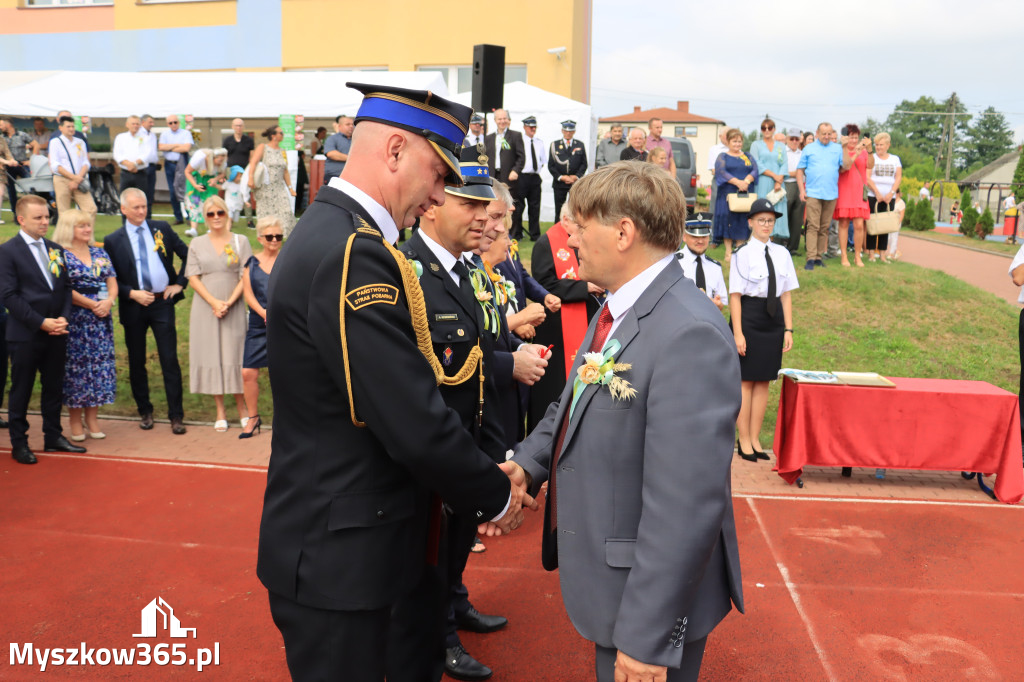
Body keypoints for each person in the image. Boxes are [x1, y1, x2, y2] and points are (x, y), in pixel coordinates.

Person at [256, 81, 531, 682]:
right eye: (438, 174)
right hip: (342, 558)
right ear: (396, 150)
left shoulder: (339, 236)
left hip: (346, 545)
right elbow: (408, 415)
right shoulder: (355, 251)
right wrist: (497, 491)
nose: (438, 195)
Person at [494, 160, 744, 682]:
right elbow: (571, 401)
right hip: (617, 584)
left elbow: (686, 505)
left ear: (624, 233)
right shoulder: (621, 309)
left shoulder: (687, 333)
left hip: (645, 602)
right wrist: (528, 463)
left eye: (580, 227)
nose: (570, 239)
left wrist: (648, 636)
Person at [397, 165, 534, 682]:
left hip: (468, 438)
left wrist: (494, 456)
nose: (487, 221)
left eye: (490, 209)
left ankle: (453, 611)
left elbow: (474, 366)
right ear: (431, 206)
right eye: (472, 207)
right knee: (428, 560)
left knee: (453, 551)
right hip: (433, 451)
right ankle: (443, 638)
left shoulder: (462, 271)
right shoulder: (407, 272)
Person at [0, 195, 87, 464]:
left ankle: (53, 436)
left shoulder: (55, 249)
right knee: (22, 389)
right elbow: (9, 295)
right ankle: (20, 442)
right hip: (25, 333)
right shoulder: (7, 251)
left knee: (53, 386)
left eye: (47, 217)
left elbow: (65, 287)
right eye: (38, 218)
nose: (45, 222)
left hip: (56, 331)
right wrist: (40, 322)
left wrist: (62, 318)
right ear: (21, 219)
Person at [103, 188, 189, 435]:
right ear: (123, 209)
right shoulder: (113, 240)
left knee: (169, 359)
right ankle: (145, 411)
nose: (141, 211)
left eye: (144, 206)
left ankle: (176, 415)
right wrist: (131, 293)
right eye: (136, 207)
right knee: (137, 360)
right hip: (134, 306)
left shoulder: (161, 228)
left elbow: (188, 255)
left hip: (162, 302)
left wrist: (180, 283)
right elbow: (110, 278)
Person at [730, 198, 798, 462]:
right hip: (749, 318)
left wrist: (788, 328)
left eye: (770, 220)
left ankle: (756, 439)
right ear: (750, 222)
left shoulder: (782, 253)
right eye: (761, 220)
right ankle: (743, 439)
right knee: (746, 381)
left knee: (764, 381)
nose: (766, 225)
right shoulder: (741, 255)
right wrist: (738, 332)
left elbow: (787, 295)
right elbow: (735, 296)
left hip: (773, 321)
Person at [528, 205, 604, 431]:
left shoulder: (584, 239)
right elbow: (544, 283)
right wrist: (583, 287)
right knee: (554, 387)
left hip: (586, 319)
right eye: (576, 223)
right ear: (564, 219)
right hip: (557, 328)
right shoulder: (546, 243)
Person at [185, 195, 252, 432]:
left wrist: (229, 302)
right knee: (212, 354)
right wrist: (214, 302)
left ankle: (243, 409)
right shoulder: (196, 244)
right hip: (205, 307)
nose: (216, 218)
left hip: (232, 305)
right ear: (204, 217)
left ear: (227, 214)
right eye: (210, 214)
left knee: (235, 354)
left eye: (220, 213)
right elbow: (193, 277)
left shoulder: (240, 241)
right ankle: (220, 411)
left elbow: (247, 276)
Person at [53, 208, 117, 441]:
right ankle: (74, 419)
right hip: (77, 320)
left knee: (99, 369)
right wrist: (91, 305)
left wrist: (108, 301)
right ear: (69, 228)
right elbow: (63, 289)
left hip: (101, 320)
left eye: (88, 225)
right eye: (82, 226)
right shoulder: (60, 255)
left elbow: (112, 281)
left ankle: (92, 419)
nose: (87, 229)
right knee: (77, 371)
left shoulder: (100, 253)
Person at [239, 217, 282, 439]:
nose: (274, 240)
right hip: (258, 323)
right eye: (269, 237)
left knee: (285, 373)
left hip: (284, 324)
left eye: (278, 236)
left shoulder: (288, 260)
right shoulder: (252, 263)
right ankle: (253, 418)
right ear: (260, 239)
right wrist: (264, 312)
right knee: (248, 371)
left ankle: (286, 420)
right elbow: (248, 293)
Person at [795, 122, 844, 271]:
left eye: (829, 134)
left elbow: (842, 168)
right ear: (817, 133)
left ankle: (818, 257)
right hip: (813, 193)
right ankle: (810, 258)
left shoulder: (837, 148)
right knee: (812, 226)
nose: (826, 136)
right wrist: (801, 190)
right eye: (824, 133)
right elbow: (799, 171)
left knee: (824, 227)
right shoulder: (809, 148)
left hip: (831, 194)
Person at [712, 128, 758, 263]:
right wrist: (737, 182)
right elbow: (721, 172)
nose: (737, 144)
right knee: (728, 222)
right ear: (728, 142)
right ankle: (728, 251)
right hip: (727, 194)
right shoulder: (722, 156)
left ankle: (740, 249)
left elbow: (755, 170)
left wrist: (746, 181)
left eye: (739, 141)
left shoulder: (748, 156)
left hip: (745, 194)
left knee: (742, 221)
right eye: (734, 141)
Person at [835, 124, 874, 268]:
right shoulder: (840, 151)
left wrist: (869, 150)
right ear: (845, 137)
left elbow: (870, 165)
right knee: (844, 223)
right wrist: (855, 153)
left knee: (859, 224)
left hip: (859, 191)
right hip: (845, 190)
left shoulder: (863, 151)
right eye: (851, 137)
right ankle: (844, 255)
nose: (853, 140)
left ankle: (858, 256)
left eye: (856, 137)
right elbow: (844, 168)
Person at [249, 125, 297, 238]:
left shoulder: (283, 151)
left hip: (279, 187)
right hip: (265, 187)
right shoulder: (263, 147)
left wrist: (290, 188)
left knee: (286, 212)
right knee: (266, 215)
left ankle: (285, 237)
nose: (283, 135)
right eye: (281, 133)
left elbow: (285, 171)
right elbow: (253, 162)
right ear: (273, 136)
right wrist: (251, 177)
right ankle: (265, 236)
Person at [48, 116, 97, 220]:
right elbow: (55, 165)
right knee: (64, 212)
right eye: (68, 126)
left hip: (79, 179)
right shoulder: (55, 142)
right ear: (61, 128)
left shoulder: (80, 142)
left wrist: (78, 178)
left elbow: (85, 162)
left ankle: (85, 234)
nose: (71, 129)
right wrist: (73, 177)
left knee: (91, 209)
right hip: (62, 179)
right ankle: (66, 235)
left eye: (73, 126)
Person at [749, 118, 789, 242]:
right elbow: (756, 163)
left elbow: (784, 164)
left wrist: (778, 180)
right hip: (763, 181)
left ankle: (771, 242)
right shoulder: (756, 145)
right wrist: (773, 175)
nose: (767, 130)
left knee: (776, 211)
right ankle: (758, 240)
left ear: (774, 129)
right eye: (764, 128)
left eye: (770, 128)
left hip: (778, 184)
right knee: (762, 210)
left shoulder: (781, 146)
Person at [865, 132, 902, 263]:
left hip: (888, 197)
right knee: (873, 225)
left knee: (885, 226)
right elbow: (868, 177)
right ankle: (870, 254)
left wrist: (891, 193)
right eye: (876, 145)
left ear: (888, 145)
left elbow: (898, 177)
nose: (878, 147)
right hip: (873, 196)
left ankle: (882, 254)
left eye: (881, 145)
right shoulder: (872, 158)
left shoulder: (895, 159)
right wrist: (877, 192)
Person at [676, 215, 727, 310]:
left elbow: (721, 304)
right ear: (684, 237)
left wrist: (717, 304)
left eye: (704, 236)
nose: (700, 241)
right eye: (694, 236)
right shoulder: (674, 263)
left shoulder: (715, 267)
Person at [512, 115, 546, 240]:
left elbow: (542, 161)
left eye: (534, 127)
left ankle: (535, 234)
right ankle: (518, 233)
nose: (532, 129)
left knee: (535, 206)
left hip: (535, 177)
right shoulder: (519, 141)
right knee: (519, 207)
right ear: (524, 127)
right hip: (522, 177)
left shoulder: (539, 142)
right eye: (530, 127)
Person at [183, 147, 227, 237]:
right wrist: (195, 185)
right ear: (213, 158)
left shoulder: (222, 161)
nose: (220, 163)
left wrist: (216, 179)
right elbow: (187, 171)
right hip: (195, 178)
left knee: (211, 202)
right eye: (218, 161)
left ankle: (211, 229)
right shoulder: (199, 159)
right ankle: (193, 229)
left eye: (222, 160)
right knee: (195, 202)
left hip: (209, 179)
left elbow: (223, 173)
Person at [548, 120, 587, 222]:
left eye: (570, 131)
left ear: (574, 131)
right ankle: (557, 231)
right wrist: (561, 177)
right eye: (566, 131)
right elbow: (551, 165)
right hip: (559, 183)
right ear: (562, 131)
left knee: (575, 209)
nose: (568, 133)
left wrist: (576, 176)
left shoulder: (580, 145)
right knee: (559, 209)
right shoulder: (554, 145)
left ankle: (573, 230)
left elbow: (584, 164)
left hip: (575, 183)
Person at [158, 114, 194, 225]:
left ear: (178, 122)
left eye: (175, 122)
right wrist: (178, 145)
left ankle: (189, 216)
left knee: (185, 190)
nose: (173, 124)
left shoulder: (186, 133)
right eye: (170, 123)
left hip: (182, 164)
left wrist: (170, 147)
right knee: (173, 191)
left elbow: (186, 148)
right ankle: (178, 217)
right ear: (167, 124)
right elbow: (161, 147)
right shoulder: (165, 134)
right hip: (169, 165)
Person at [1, 116, 38, 214]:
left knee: (30, 186)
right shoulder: (2, 138)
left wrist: (31, 160)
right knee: (11, 191)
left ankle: (33, 209)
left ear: (8, 124)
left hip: (22, 165)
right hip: (8, 166)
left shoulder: (22, 135)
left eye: (1, 125)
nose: (0, 127)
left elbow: (36, 145)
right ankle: (15, 213)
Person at [485, 108, 525, 185]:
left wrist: (515, 170)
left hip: (509, 177)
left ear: (508, 119)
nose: (502, 121)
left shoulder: (516, 136)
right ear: (495, 120)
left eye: (504, 118)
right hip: (492, 177)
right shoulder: (488, 138)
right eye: (499, 119)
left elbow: (521, 157)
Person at [113, 116, 151, 194]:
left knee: (141, 197)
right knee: (124, 197)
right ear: (127, 124)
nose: (135, 126)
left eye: (137, 124)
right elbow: (117, 154)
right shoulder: (120, 137)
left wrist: (134, 164)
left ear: (140, 125)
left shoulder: (146, 138)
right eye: (133, 124)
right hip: (125, 173)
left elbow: (147, 154)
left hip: (140, 173)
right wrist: (128, 165)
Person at [783, 128, 804, 253]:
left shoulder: (802, 153)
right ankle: (781, 244)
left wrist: (797, 174)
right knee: (784, 216)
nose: (794, 141)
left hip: (800, 186)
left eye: (797, 139)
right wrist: (796, 173)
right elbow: (782, 171)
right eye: (792, 138)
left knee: (797, 218)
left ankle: (793, 247)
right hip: (787, 184)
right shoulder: (782, 152)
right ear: (787, 139)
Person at [323, 115, 354, 184]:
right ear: (339, 126)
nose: (351, 126)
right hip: (335, 176)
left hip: (353, 177)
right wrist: (353, 158)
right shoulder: (332, 139)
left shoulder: (357, 140)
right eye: (347, 124)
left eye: (352, 124)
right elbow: (331, 154)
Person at [140, 115, 160, 216]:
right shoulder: (139, 134)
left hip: (152, 166)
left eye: (152, 122)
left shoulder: (152, 135)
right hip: (143, 166)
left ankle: (149, 215)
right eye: (150, 122)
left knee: (150, 192)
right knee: (143, 191)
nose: (152, 124)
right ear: (143, 122)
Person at [706, 128, 729, 210]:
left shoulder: (737, 149)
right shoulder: (714, 149)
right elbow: (713, 170)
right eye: (727, 134)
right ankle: (713, 223)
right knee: (715, 206)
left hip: (734, 183)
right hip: (718, 181)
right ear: (720, 136)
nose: (729, 136)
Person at [886, 189, 906, 261]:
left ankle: (891, 253)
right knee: (888, 238)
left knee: (894, 237)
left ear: (897, 194)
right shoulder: (891, 201)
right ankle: (896, 251)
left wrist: (898, 223)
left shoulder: (901, 203)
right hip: (889, 221)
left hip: (896, 222)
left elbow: (902, 214)